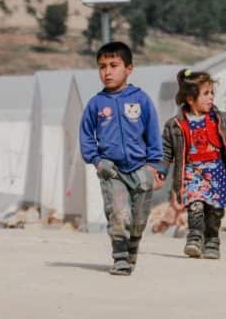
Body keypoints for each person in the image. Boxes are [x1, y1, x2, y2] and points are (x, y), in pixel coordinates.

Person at [79, 41, 164, 276]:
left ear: (129, 68)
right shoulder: (96, 104)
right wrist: (97, 161)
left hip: (141, 169)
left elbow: (153, 133)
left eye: (114, 65)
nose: (107, 71)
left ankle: (132, 248)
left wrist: (156, 166)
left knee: (138, 218)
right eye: (102, 66)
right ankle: (120, 258)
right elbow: (86, 136)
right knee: (118, 214)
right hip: (112, 170)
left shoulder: (141, 100)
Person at [158, 69, 226, 260]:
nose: (211, 98)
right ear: (190, 99)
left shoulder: (222, 120)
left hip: (217, 171)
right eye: (206, 94)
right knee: (196, 205)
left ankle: (212, 241)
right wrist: (161, 171)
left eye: (212, 93)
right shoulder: (175, 125)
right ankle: (194, 237)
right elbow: (166, 151)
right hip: (192, 172)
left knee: (215, 210)